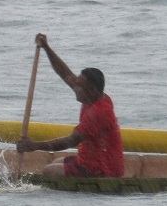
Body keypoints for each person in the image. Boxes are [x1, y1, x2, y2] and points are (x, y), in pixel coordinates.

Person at [15, 34, 124, 178]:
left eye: (79, 85)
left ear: (91, 90)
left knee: (49, 171)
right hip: (89, 160)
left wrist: (34, 146)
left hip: (103, 170)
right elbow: (64, 73)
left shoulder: (99, 112)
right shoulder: (92, 97)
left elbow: (70, 141)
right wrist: (47, 48)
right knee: (56, 162)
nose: (74, 86)